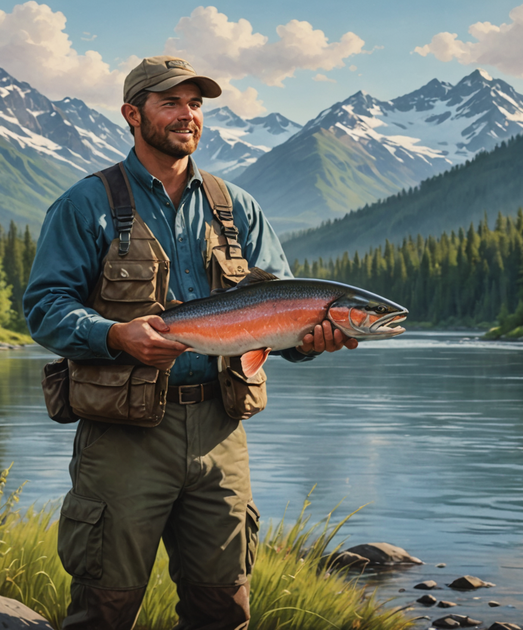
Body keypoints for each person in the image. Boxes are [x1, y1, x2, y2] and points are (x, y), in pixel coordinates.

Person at [23, 55, 357, 630]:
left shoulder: (237, 207)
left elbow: (282, 314)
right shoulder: (86, 204)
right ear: (133, 114)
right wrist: (115, 335)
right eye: (171, 103)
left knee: (224, 609)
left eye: (196, 104)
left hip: (220, 431)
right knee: (105, 608)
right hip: (123, 437)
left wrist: (309, 342)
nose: (188, 115)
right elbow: (45, 308)